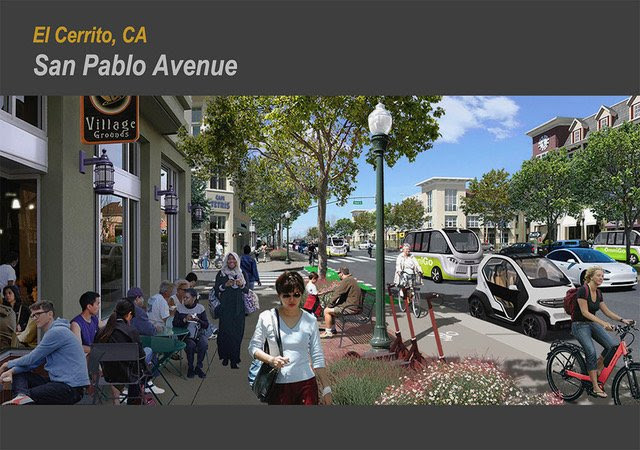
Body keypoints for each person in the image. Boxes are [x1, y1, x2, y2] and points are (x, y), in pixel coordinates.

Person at [249, 271, 331, 405]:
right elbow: (253, 347)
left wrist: (327, 387)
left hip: (307, 384)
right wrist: (271, 359)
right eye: (286, 295)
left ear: (302, 294)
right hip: (279, 385)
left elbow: (317, 355)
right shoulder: (267, 317)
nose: (292, 300)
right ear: (279, 295)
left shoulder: (310, 319)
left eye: (296, 295)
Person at [0, 301, 89, 405]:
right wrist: (12, 371)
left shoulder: (57, 332)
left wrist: (7, 364)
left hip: (71, 388)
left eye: (38, 314)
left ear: (50, 314)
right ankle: (21, 397)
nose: (34, 318)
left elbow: (32, 358)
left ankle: (22, 398)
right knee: (20, 375)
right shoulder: (53, 333)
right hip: (60, 384)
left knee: (29, 398)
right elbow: (35, 363)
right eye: (32, 315)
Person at [572, 266, 634, 398]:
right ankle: (595, 387)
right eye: (599, 275)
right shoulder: (583, 290)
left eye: (602, 276)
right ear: (591, 276)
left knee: (611, 346)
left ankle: (596, 370)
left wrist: (623, 320)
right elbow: (585, 312)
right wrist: (603, 323)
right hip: (579, 325)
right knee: (591, 351)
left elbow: (607, 311)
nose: (601, 278)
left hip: (591, 323)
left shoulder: (598, 293)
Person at [95, 299, 150, 405]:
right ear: (129, 314)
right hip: (128, 375)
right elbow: (141, 356)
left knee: (129, 365)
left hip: (107, 374)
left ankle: (120, 398)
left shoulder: (102, 331)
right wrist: (147, 372)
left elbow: (95, 355)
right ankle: (134, 398)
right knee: (147, 353)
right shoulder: (131, 331)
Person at [215, 252, 248, 369]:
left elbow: (247, 290)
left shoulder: (241, 273)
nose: (231, 262)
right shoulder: (222, 273)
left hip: (238, 309)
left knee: (237, 335)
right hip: (225, 308)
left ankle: (235, 359)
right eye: (229, 260)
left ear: (237, 261)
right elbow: (216, 289)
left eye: (233, 260)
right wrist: (225, 285)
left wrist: (241, 285)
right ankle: (225, 357)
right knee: (225, 334)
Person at [173, 288, 209, 378]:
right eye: (184, 297)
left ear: (193, 298)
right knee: (191, 345)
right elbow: (175, 324)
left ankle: (199, 367)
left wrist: (198, 320)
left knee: (204, 343)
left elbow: (206, 325)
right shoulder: (180, 308)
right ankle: (190, 367)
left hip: (198, 334)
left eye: (187, 297)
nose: (184, 299)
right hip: (186, 335)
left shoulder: (200, 308)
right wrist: (184, 319)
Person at [322, 267, 362, 338]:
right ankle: (332, 330)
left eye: (338, 273)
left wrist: (329, 305)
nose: (338, 275)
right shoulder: (351, 279)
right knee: (331, 309)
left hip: (350, 308)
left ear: (342, 273)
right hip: (353, 306)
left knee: (327, 311)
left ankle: (328, 332)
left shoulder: (347, 281)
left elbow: (337, 293)